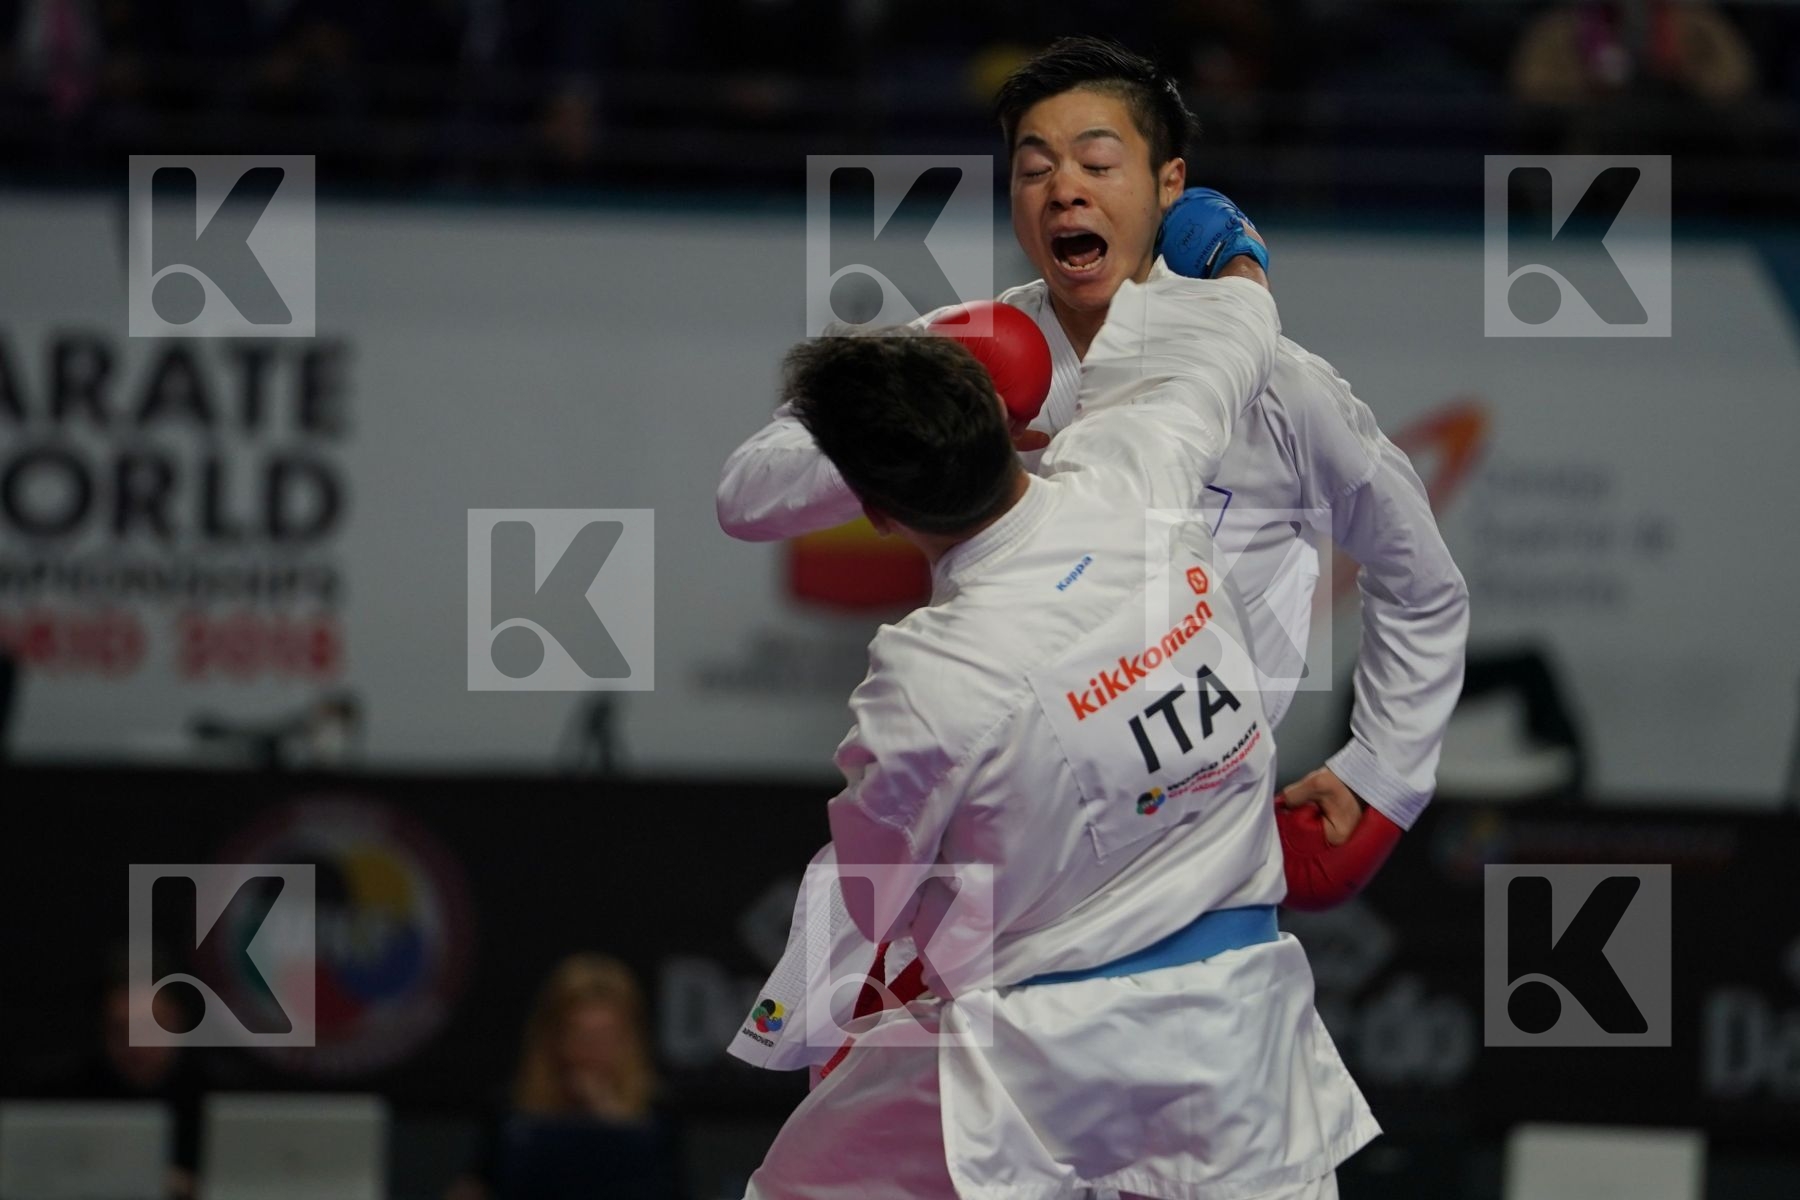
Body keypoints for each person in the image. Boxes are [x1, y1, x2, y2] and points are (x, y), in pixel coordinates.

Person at [718, 35, 1467, 1061]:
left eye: (1096, 162)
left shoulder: (1275, 385)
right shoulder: (963, 352)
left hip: (1182, 846)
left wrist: (1387, 769)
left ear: (1168, 185)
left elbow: (1421, 582)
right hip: (998, 832)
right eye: (1034, 168)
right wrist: (955, 401)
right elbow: (748, 497)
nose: (1062, 188)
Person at [741, 257, 1375, 1196]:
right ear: (1013, 420)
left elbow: (873, 884)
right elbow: (1230, 342)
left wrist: (811, 1015)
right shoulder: (1132, 468)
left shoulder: (929, 677)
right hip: (1238, 1031)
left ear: (873, 514)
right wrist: (1237, 263)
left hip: (1042, 1052)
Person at [446, 954, 683, 1200]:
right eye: (581, 1035)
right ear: (553, 1035)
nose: (592, 1051)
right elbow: (478, 1184)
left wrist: (611, 1121)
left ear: (629, 1039)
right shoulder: (511, 1113)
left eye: (604, 1037)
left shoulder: (657, 1114)